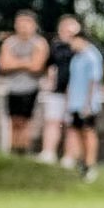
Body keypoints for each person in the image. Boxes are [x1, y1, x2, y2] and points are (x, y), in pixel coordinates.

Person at [0, 10, 48, 154]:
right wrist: (26, 62)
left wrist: (15, 62)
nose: (23, 26)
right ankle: (13, 151)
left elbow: (37, 66)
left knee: (25, 122)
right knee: (13, 121)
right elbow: (4, 65)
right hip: (12, 88)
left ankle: (23, 151)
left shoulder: (39, 43)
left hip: (30, 89)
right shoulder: (9, 43)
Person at [39, 14, 80, 165]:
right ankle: (48, 153)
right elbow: (49, 66)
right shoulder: (55, 47)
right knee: (52, 121)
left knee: (72, 126)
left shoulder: (84, 48)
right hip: (57, 92)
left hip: (76, 93)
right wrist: (49, 82)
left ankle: (69, 157)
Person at [64, 30, 104, 182]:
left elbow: (93, 81)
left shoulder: (92, 56)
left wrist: (88, 104)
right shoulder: (76, 58)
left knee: (88, 132)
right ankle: (82, 162)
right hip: (75, 103)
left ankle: (90, 164)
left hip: (86, 105)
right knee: (77, 132)